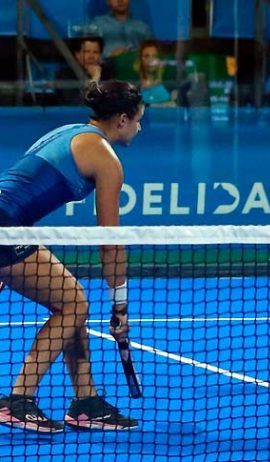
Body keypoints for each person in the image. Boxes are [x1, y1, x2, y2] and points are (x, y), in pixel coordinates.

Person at [0, 80, 144, 432]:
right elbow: (110, 242)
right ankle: (18, 399)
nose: (140, 127)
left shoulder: (70, 132)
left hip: (11, 225)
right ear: (122, 119)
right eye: (138, 119)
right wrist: (120, 306)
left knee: (70, 298)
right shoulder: (106, 160)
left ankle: (86, 401)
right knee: (74, 304)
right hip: (5, 226)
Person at [55, 36, 115, 104]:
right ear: (77, 54)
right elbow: (75, 102)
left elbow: (110, 101)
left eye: (95, 52)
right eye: (86, 52)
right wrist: (95, 79)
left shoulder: (106, 72)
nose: (91, 56)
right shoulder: (65, 74)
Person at [135, 40, 177, 106]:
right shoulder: (133, 86)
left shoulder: (169, 83)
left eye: (154, 56)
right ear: (140, 59)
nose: (150, 60)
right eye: (146, 56)